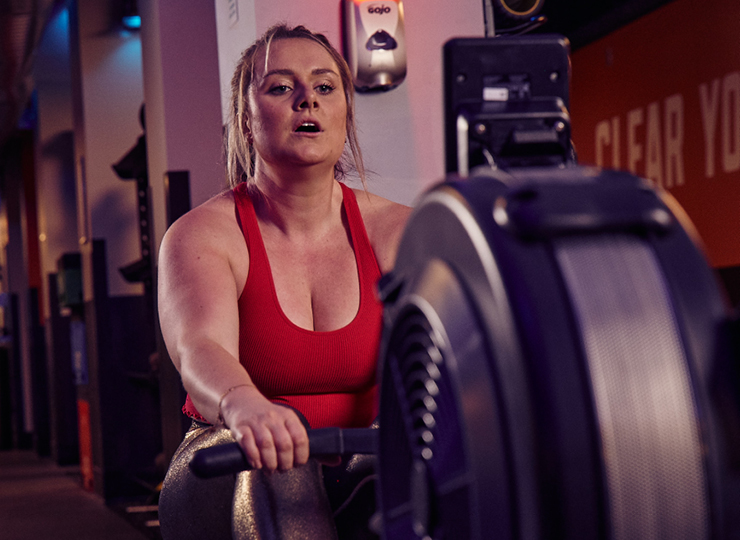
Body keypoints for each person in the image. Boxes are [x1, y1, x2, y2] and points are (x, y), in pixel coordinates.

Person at [156, 24, 411, 539]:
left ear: (344, 113)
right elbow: (199, 347)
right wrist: (243, 404)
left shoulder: (400, 230)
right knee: (282, 465)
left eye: (323, 87)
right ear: (247, 122)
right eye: (280, 87)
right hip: (230, 460)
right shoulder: (202, 234)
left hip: (362, 457)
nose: (306, 101)